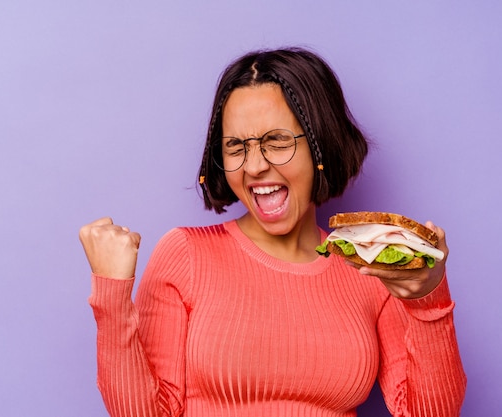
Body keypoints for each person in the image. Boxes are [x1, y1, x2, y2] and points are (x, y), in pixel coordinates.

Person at [79, 47, 467, 417]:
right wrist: (112, 298)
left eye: (276, 141)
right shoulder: (185, 255)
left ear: (321, 145)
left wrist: (428, 301)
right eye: (235, 147)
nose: (254, 167)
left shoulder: (366, 269)